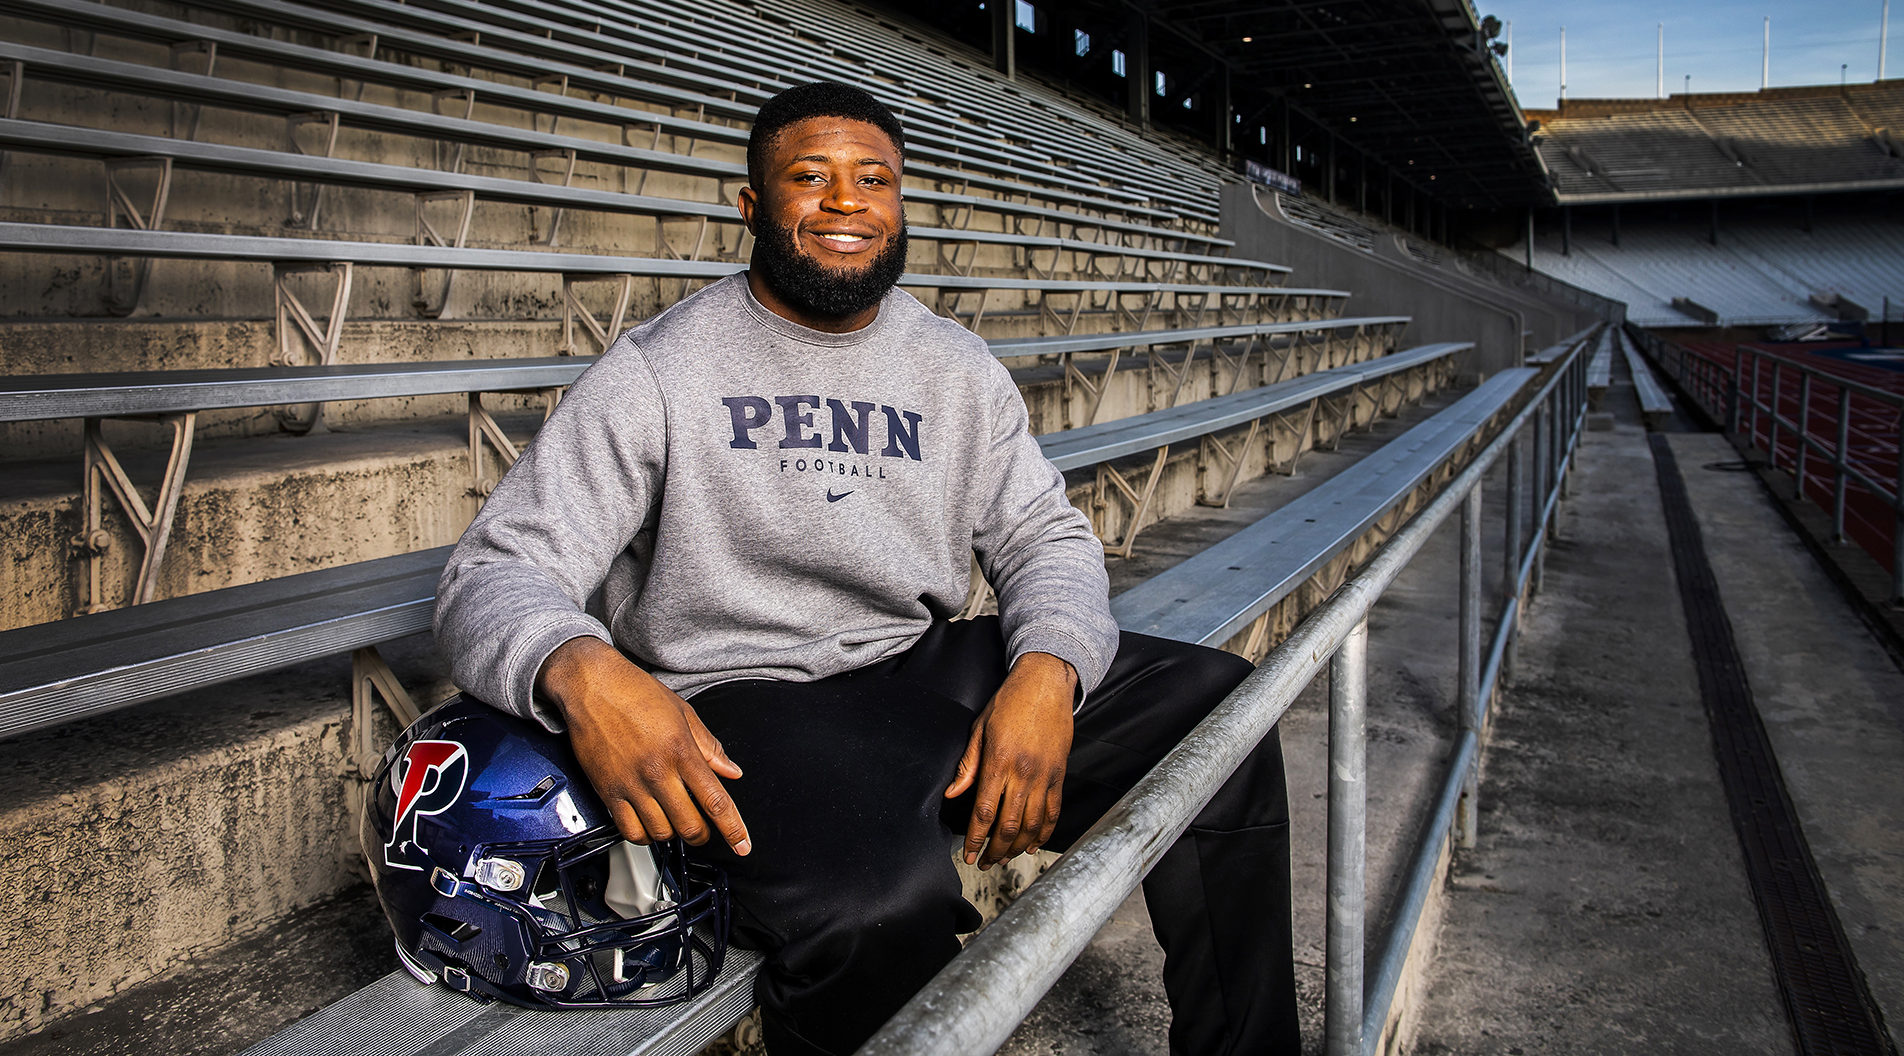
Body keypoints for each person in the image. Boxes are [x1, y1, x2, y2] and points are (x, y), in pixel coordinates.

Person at [436, 80, 1297, 1055]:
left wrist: (1048, 669)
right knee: (877, 906)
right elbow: (493, 572)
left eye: (873, 179)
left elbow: (1045, 539)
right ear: (752, 206)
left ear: (899, 203)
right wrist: (581, 671)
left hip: (918, 667)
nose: (846, 202)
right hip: (747, 698)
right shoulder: (658, 370)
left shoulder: (953, 366)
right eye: (810, 177)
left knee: (1218, 715)